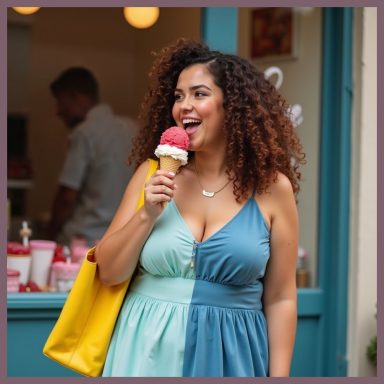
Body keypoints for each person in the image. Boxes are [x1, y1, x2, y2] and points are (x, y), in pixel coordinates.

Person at [95, 38, 305, 377]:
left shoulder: (272, 188)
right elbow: (109, 272)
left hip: (233, 353)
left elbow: (281, 297)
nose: (183, 106)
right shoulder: (152, 174)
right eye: (178, 96)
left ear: (233, 106)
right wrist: (147, 213)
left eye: (199, 94)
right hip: (145, 351)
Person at [48, 67, 136, 247]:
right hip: (126, 241)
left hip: (84, 241)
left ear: (77, 96)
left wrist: (50, 234)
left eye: (60, 102)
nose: (58, 111)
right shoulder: (133, 129)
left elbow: (67, 198)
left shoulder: (84, 133)